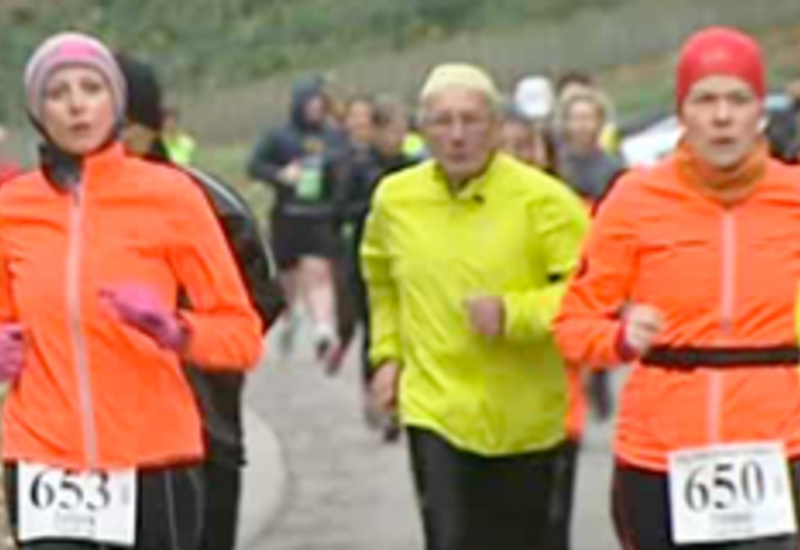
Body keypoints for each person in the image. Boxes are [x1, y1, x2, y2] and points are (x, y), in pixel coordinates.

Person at [0, 32, 262, 550]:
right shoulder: (11, 208)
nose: (77, 104)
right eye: (58, 92)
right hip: (43, 458)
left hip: (153, 458)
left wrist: (176, 330)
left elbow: (242, 335)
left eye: (91, 88)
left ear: (115, 103)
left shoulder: (172, 197)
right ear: (37, 110)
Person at [555, 27, 800, 550]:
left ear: (761, 111)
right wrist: (620, 339)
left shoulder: (793, 196)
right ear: (681, 112)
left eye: (738, 99)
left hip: (780, 448)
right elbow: (573, 326)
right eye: (704, 99)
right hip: (660, 452)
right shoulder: (635, 198)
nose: (721, 116)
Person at [361, 63, 588, 550]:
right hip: (435, 406)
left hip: (529, 416)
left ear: (498, 127)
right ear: (422, 130)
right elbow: (381, 282)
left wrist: (515, 313)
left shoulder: (545, 201)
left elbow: (591, 298)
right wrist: (387, 356)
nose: (457, 135)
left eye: (471, 120)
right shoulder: (395, 200)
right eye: (443, 122)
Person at [115, 53, 283, 550]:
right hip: (83, 450)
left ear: (152, 127)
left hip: (201, 434)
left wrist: (183, 338)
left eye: (126, 125)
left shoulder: (211, 203)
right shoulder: (53, 208)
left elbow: (260, 302)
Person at [248, 76, 344, 361]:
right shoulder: (279, 136)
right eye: (311, 103)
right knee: (288, 280)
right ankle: (290, 319)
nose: (315, 109)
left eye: (320, 104)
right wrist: (280, 174)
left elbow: (346, 163)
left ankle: (323, 329)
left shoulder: (333, 137)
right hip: (287, 216)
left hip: (320, 215)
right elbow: (255, 165)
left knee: (319, 272)